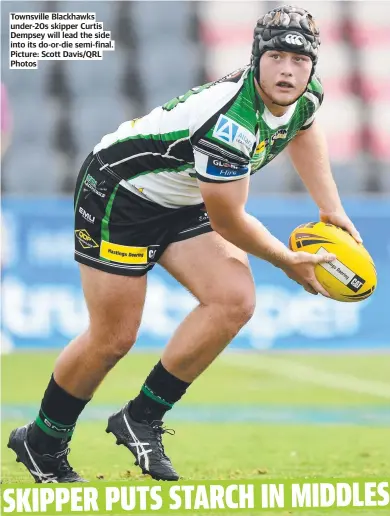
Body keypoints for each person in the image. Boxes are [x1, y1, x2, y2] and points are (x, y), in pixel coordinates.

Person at [8, 5, 361, 483]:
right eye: (276, 55)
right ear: (257, 58)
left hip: (183, 192)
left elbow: (304, 127)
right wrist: (286, 260)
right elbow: (230, 219)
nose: (288, 69)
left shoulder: (305, 95)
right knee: (114, 337)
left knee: (233, 300)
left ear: (312, 67)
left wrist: (331, 207)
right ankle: (43, 442)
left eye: (299, 60)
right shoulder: (228, 124)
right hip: (121, 192)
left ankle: (141, 419)